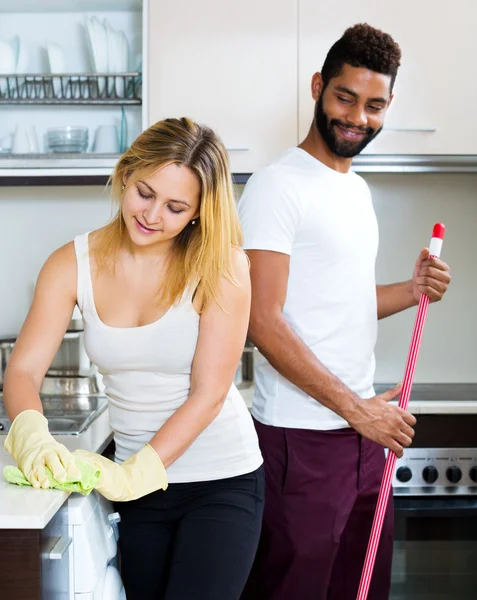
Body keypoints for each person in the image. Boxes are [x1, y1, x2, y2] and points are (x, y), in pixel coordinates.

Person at [4, 117, 264, 600]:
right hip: (138, 490)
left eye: (175, 207)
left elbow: (209, 395)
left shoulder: (223, 265)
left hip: (220, 481)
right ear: (126, 173)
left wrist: (135, 473)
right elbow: (22, 371)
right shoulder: (71, 263)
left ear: (198, 214)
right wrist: (33, 438)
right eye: (145, 193)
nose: (152, 215)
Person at [238, 23, 451, 600]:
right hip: (301, 443)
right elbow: (263, 320)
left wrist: (411, 289)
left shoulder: (356, 191)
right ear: (317, 87)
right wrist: (358, 411)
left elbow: (344, 303)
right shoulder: (277, 185)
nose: (358, 117)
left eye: (374, 105)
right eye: (345, 97)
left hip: (363, 435)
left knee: (360, 590)